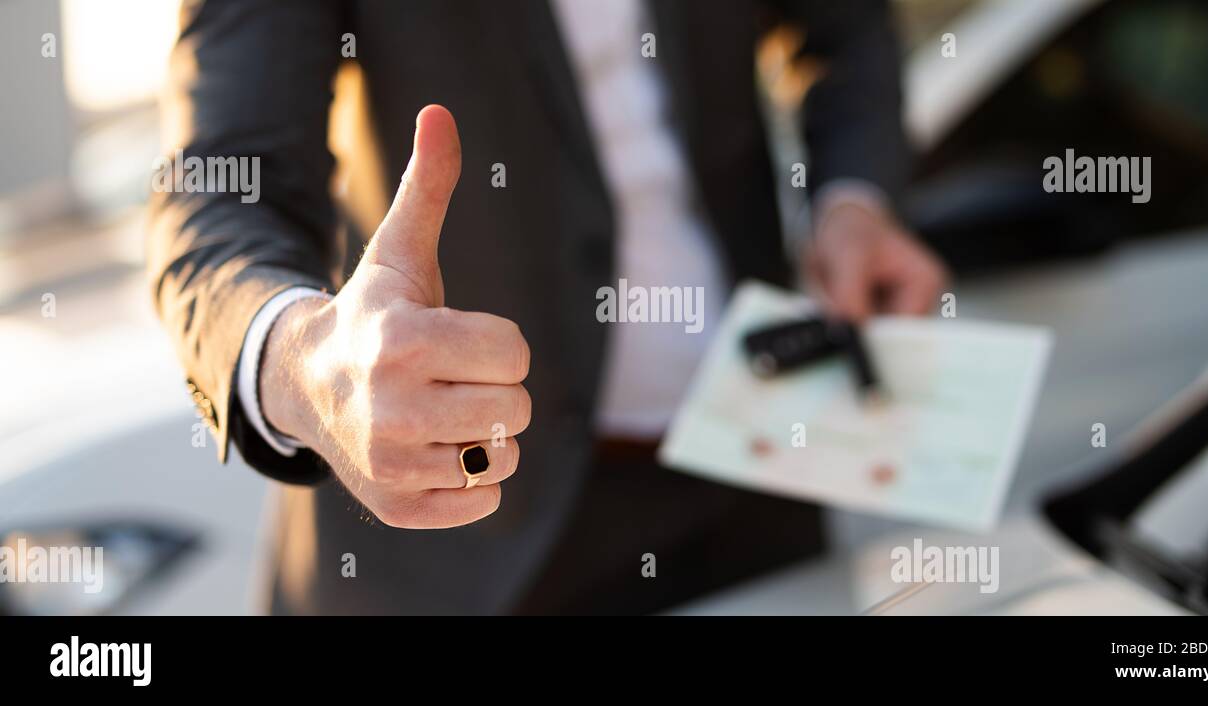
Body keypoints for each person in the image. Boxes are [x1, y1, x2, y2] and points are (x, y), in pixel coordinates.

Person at [148, 0, 948, 615]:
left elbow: (848, 33)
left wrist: (853, 201)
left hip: (750, 479)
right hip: (462, 546)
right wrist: (306, 362)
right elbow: (219, 190)